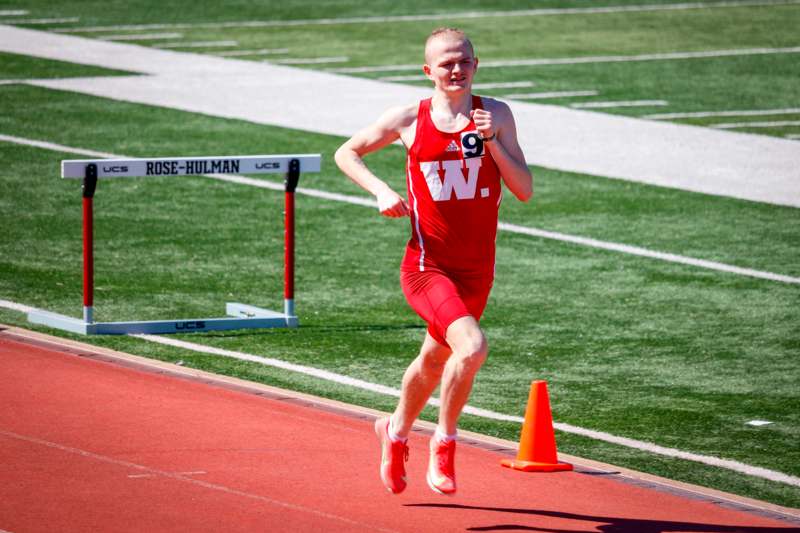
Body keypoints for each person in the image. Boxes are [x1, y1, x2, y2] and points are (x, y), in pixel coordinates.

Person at [334, 27, 533, 495]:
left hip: (477, 270)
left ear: (476, 65)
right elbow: (347, 152)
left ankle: (395, 432)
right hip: (427, 266)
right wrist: (381, 190)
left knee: (434, 358)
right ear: (429, 72)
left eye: (463, 61)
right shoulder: (409, 118)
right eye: (445, 63)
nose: (456, 69)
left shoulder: (496, 115)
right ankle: (444, 444)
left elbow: (523, 189)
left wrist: (492, 143)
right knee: (473, 347)